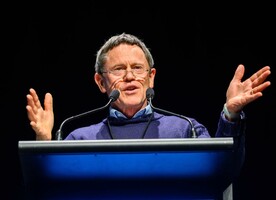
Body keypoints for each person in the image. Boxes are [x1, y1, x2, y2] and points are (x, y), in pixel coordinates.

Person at [26, 33, 271, 143]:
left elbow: (223, 168)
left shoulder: (185, 129)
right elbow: (47, 187)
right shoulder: (79, 138)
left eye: (138, 68)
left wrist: (230, 114)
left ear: (151, 77)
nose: (130, 76)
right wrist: (44, 141)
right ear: (101, 82)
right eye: (119, 69)